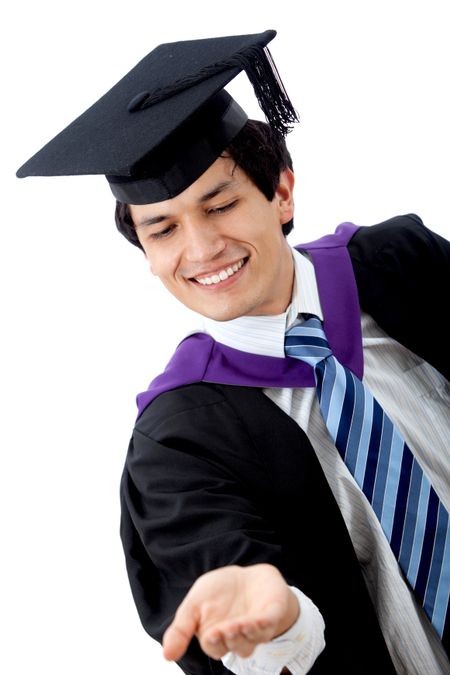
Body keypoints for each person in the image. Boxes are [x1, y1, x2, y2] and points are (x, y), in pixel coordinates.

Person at [16, 30, 449, 675]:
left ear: (280, 191)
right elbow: (217, 560)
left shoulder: (402, 266)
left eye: (219, 205)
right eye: (162, 228)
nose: (200, 249)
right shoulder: (177, 440)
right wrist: (276, 618)